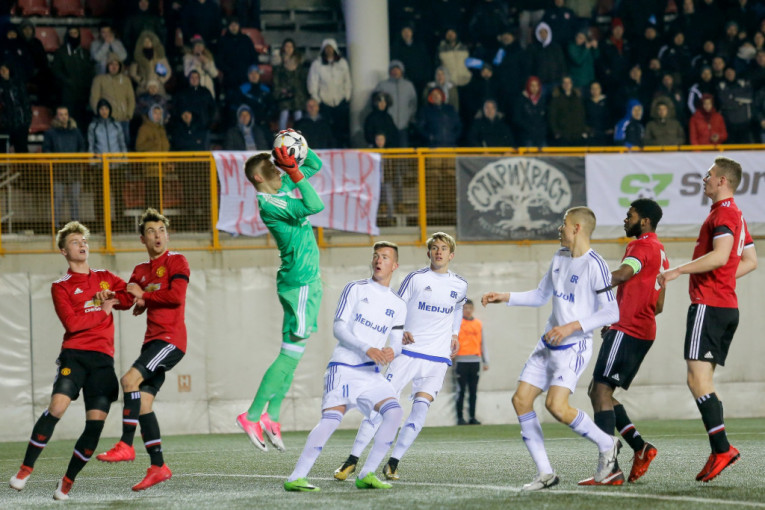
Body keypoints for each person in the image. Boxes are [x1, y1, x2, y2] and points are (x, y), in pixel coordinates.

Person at [481, 206, 620, 491]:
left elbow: (611, 312)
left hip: (573, 347)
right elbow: (540, 295)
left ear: (577, 228)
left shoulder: (596, 265)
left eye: (564, 224)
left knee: (556, 406)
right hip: (547, 343)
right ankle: (545, 473)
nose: (559, 228)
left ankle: (607, 443)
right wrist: (504, 296)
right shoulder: (559, 257)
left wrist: (571, 327)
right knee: (521, 400)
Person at [334, 232, 468, 482]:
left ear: (451, 255)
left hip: (438, 359)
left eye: (443, 248)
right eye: (435, 248)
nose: (439, 252)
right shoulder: (416, 279)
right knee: (380, 407)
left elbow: (459, 307)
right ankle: (352, 459)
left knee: (420, 411)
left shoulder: (460, 285)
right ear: (429, 253)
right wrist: (400, 330)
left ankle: (393, 462)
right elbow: (396, 305)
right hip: (408, 354)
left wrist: (454, 333)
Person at [9, 222, 128, 500]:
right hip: (74, 355)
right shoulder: (60, 286)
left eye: (84, 240)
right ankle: (25, 470)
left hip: (103, 361)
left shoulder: (105, 277)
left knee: (95, 425)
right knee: (57, 407)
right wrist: (103, 310)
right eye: (75, 242)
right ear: (64, 251)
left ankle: (67, 481)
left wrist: (113, 296)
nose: (82, 244)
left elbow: (127, 298)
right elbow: (72, 324)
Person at [658, 157, 757, 483]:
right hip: (725, 306)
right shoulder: (736, 214)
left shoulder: (724, 214)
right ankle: (719, 449)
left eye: (710, 175)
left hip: (709, 305)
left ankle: (722, 449)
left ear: (722, 181)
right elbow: (750, 260)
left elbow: (720, 255)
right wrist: (725, 278)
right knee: (704, 382)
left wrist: (677, 270)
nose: (705, 179)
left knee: (697, 381)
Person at [284, 241, 407, 492]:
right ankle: (296, 477)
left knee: (394, 413)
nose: (378, 260)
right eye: (376, 255)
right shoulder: (355, 288)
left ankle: (367, 474)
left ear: (394, 265)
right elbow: (338, 328)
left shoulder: (398, 304)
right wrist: (367, 348)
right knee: (331, 419)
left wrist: (392, 351)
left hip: (371, 374)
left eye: (385, 257)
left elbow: (397, 342)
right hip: (344, 368)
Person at [237, 137, 325, 452]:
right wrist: (295, 173)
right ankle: (251, 415)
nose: (280, 172)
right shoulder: (270, 202)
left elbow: (315, 164)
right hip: (300, 284)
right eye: (274, 169)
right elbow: (315, 206)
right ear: (258, 177)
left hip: (302, 282)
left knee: (294, 355)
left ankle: (271, 415)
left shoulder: (280, 186)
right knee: (289, 356)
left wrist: (300, 145)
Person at [96, 208, 191, 492]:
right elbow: (128, 299)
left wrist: (145, 296)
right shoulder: (140, 270)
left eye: (161, 230)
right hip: (152, 342)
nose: (157, 235)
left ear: (167, 235)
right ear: (142, 239)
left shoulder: (177, 261)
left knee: (128, 381)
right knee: (144, 403)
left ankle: (126, 445)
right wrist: (111, 298)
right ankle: (158, 467)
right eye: (151, 231)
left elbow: (176, 297)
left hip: (171, 340)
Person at [581, 199, 669, 485]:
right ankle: (640, 447)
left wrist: (584, 285)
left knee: (600, 391)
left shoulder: (640, 247)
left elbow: (621, 275)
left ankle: (609, 468)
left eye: (629, 215)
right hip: (642, 330)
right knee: (599, 391)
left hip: (628, 329)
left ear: (644, 221)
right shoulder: (661, 252)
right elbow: (659, 306)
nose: (625, 219)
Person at [43, 107, 87, 225]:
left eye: (65, 114)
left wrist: (78, 157)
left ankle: (75, 225)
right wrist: (54, 158)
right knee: (58, 199)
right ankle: (56, 225)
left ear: (68, 116)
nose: (63, 117)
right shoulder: (51, 133)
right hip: (58, 171)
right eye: (61, 114)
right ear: (57, 116)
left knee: (75, 199)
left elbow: (82, 147)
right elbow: (46, 149)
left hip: (74, 170)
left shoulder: (76, 132)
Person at [307, 38, 352, 148]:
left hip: (340, 102)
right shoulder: (317, 64)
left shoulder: (342, 63)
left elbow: (347, 81)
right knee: (326, 130)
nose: (329, 50)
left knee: (341, 130)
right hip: (324, 103)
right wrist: (317, 99)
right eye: (326, 48)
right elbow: (312, 82)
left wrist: (346, 96)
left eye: (331, 48)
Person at [51, 27, 95, 131]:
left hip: (83, 94)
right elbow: (56, 71)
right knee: (67, 121)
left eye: (75, 33)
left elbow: (90, 72)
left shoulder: (84, 53)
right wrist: (68, 82)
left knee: (81, 122)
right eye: (71, 33)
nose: (73, 35)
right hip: (67, 94)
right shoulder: (61, 52)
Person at [454, 299, 488, 426]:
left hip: (475, 361)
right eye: (465, 308)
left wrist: (485, 361)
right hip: (461, 360)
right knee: (461, 391)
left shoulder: (478, 324)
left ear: (473, 309)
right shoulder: (457, 323)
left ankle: (472, 417)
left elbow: (482, 343)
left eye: (470, 308)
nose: (468, 310)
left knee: (473, 391)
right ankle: (460, 418)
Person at [90, 54, 135, 146]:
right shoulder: (99, 80)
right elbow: (94, 99)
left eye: (116, 64)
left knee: (125, 145)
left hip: (123, 119)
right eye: (111, 64)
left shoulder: (126, 80)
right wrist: (100, 115)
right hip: (107, 120)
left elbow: (131, 98)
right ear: (107, 66)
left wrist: (129, 114)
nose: (114, 67)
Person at [374, 60, 417, 148]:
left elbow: (413, 103)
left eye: (398, 69)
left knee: (403, 152)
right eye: (393, 69)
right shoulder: (382, 85)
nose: (395, 71)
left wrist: (409, 117)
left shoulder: (409, 86)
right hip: (387, 127)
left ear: (402, 71)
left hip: (403, 127)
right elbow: (375, 102)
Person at [272, 38, 308, 131]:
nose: (288, 49)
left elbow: (302, 80)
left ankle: (299, 135)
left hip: (298, 94)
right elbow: (276, 81)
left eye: (290, 46)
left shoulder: (299, 63)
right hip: (284, 94)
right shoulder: (279, 64)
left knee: (298, 114)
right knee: (284, 113)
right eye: (286, 46)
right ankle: (282, 136)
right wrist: (281, 91)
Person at [128, 31, 172, 96]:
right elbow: (132, 73)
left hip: (158, 87)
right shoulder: (137, 57)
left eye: (149, 41)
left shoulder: (160, 56)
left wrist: (161, 80)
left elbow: (168, 71)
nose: (147, 43)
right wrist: (141, 81)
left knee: (160, 101)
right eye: (145, 41)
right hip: (143, 87)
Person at [0, 62, 32, 153]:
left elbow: (25, 103)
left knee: (21, 147)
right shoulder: (1, 86)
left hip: (21, 122)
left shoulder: (18, 83)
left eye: (4, 70)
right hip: (5, 123)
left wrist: (27, 119)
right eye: (1, 70)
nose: (2, 72)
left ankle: (23, 163)